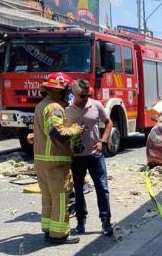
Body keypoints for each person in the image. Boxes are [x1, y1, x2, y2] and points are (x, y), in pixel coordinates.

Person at [33, 72, 83, 245]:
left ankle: (48, 230)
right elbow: (57, 132)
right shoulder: (55, 107)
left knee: (48, 198)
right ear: (60, 90)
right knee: (61, 199)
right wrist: (75, 130)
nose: (69, 94)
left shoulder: (41, 105)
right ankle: (59, 234)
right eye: (67, 90)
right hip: (56, 161)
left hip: (42, 161)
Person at [66, 79, 114, 236]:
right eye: (82, 95)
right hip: (76, 157)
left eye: (88, 95)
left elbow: (108, 123)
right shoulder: (66, 109)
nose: (85, 98)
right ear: (74, 93)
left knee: (102, 188)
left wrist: (103, 141)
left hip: (95, 155)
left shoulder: (96, 105)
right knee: (78, 190)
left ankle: (106, 222)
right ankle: (81, 221)